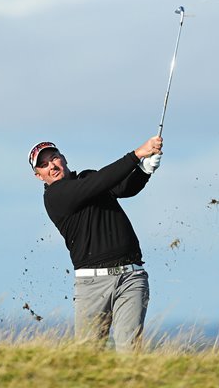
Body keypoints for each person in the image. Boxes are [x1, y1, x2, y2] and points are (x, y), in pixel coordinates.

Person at [28, 136, 163, 351]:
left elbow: (123, 188)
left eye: (54, 158)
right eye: (43, 165)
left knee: (129, 352)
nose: (51, 166)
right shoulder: (54, 196)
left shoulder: (87, 177)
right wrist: (137, 155)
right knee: (90, 355)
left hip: (131, 277)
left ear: (63, 158)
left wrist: (144, 170)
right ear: (39, 176)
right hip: (92, 285)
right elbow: (99, 183)